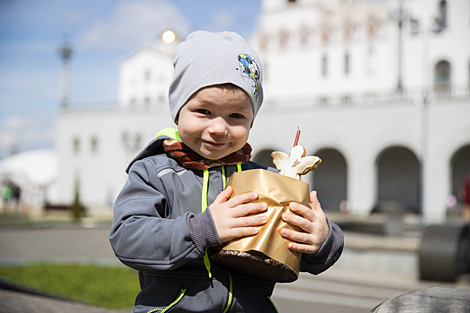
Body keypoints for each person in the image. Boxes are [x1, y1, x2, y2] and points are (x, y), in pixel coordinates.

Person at [110, 30, 343, 313]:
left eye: (236, 116)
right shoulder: (155, 171)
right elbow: (127, 237)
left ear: (251, 120)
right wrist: (203, 229)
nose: (219, 128)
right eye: (203, 111)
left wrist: (321, 240)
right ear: (178, 110)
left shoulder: (267, 181)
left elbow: (296, 254)